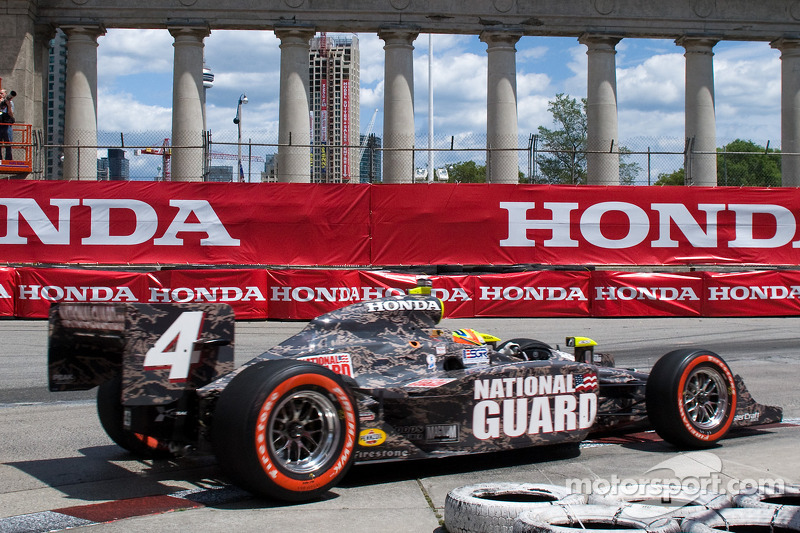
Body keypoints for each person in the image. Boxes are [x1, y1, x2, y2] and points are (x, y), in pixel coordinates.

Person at [0, 90, 16, 160]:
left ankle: (8, 159)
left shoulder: (10, 103)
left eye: (2, 93)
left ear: (6, 94)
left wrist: (8, 105)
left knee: (8, 143)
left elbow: (11, 114)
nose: (0, 94)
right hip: (0, 124)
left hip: (7, 125)